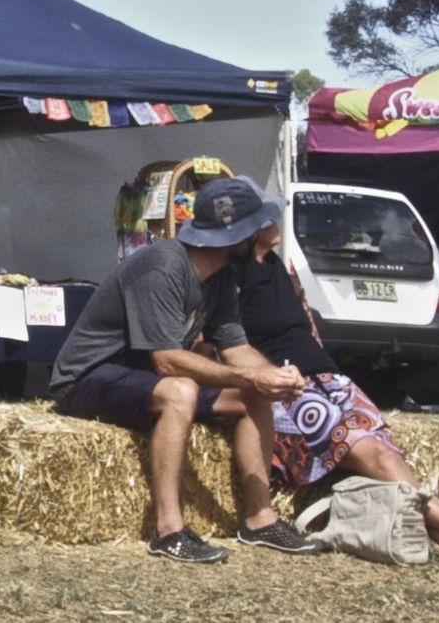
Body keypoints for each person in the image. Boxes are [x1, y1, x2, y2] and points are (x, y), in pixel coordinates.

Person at [233, 195, 439, 577]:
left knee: (386, 455)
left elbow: (307, 328)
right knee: (374, 454)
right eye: (271, 217)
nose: (279, 221)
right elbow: (225, 347)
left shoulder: (277, 268)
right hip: (286, 391)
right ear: (255, 228)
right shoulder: (231, 278)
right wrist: (275, 376)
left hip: (330, 380)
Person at [49, 177, 321, 564]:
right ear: (237, 235)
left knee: (253, 394)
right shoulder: (161, 266)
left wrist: (275, 377)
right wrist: (250, 376)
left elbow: (237, 348)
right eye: (259, 228)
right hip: (87, 377)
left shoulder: (222, 274)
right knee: (181, 390)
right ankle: (169, 531)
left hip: (144, 380)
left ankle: (260, 520)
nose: (270, 237)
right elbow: (167, 360)